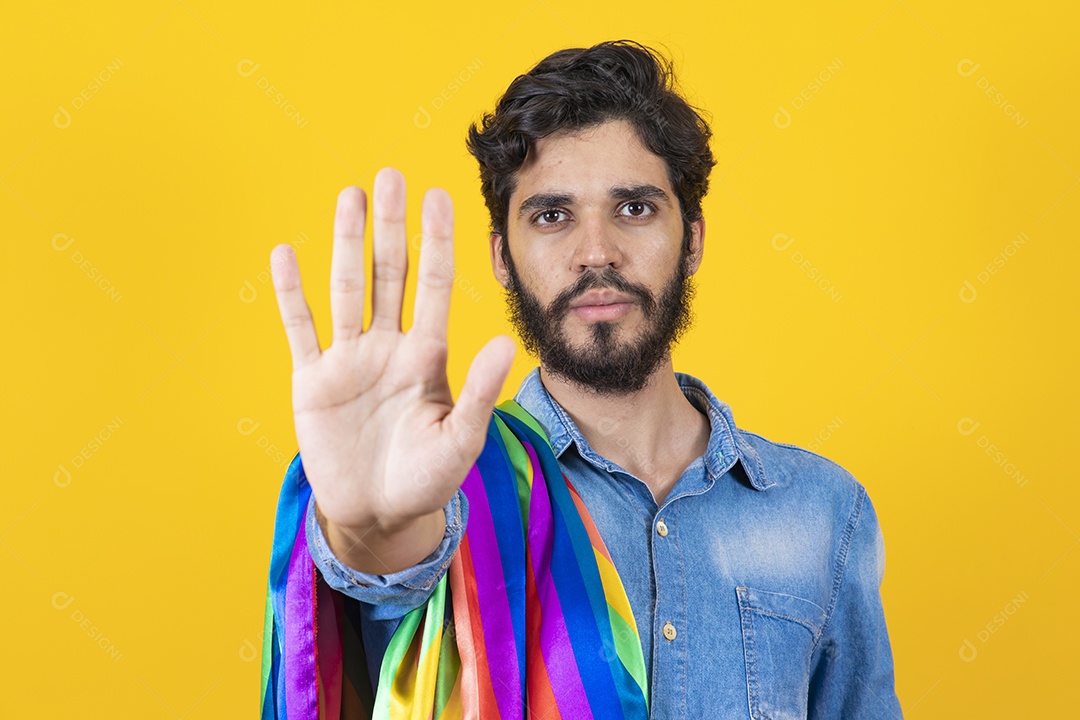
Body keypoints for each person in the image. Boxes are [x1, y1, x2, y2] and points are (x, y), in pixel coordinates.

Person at [263, 39, 903, 719]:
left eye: (634, 208)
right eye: (551, 215)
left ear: (692, 240)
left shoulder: (824, 512)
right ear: (502, 257)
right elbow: (383, 584)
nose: (596, 252)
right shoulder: (448, 484)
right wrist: (369, 533)